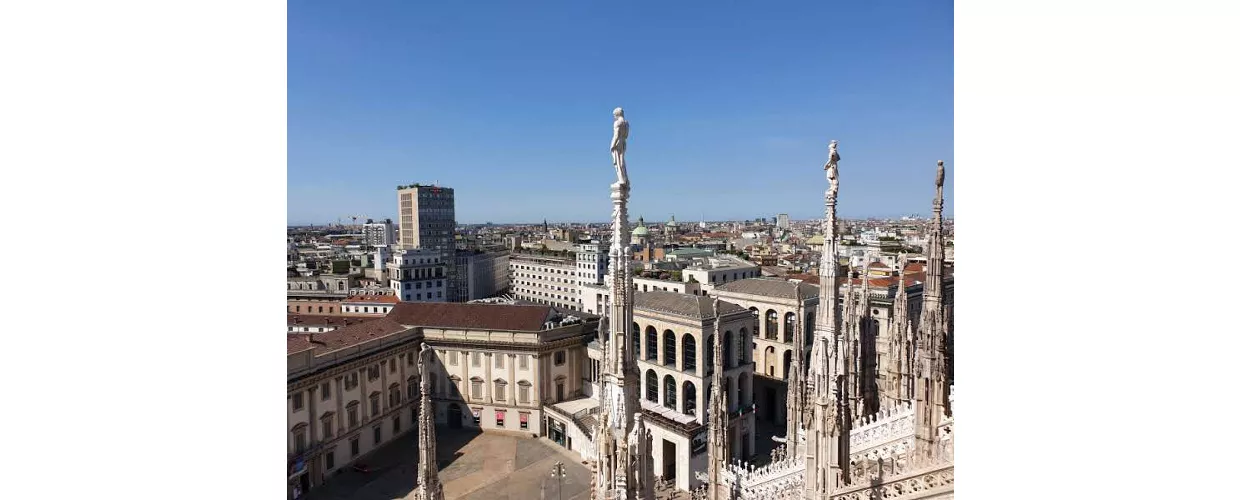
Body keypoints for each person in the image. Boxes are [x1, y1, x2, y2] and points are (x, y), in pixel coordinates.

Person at [610, 107, 629, 186]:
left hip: (618, 142)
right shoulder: (626, 123)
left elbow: (616, 135)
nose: (614, 117)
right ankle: (625, 179)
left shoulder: (617, 123)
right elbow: (626, 135)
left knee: (617, 161)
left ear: (617, 114)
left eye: (614, 115)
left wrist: (612, 145)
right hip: (623, 142)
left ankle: (621, 179)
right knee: (622, 161)